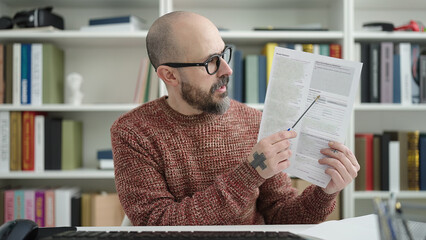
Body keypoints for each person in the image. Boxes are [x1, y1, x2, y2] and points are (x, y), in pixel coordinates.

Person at [110, 11, 360, 226]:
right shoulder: (133, 132)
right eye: (210, 62)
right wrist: (250, 173)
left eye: (223, 54)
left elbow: (280, 215)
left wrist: (326, 192)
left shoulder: (253, 121)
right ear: (170, 76)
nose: (227, 69)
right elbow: (157, 224)